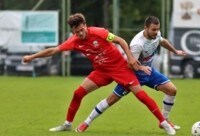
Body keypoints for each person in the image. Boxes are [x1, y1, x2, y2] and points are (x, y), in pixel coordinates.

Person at [22, 13, 176, 135]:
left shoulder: (99, 32)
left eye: (82, 30)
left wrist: (129, 57)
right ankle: (68, 124)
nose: (80, 33)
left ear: (85, 26)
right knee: (78, 93)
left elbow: (121, 40)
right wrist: (32, 57)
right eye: (77, 32)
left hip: (120, 69)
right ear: (73, 32)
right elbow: (54, 50)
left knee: (141, 95)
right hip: (101, 72)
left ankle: (164, 123)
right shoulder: (74, 41)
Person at [76, 16, 187, 132]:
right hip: (131, 74)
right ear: (146, 28)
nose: (156, 32)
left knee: (172, 90)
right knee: (111, 100)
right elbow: (130, 65)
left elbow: (162, 41)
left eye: (158, 29)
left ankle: (164, 120)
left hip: (147, 72)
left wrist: (175, 51)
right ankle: (86, 122)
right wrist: (141, 67)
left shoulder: (157, 34)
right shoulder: (137, 44)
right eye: (153, 29)